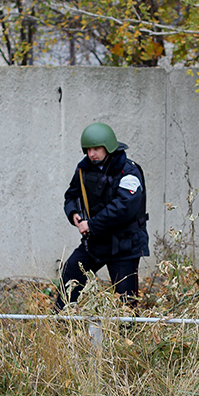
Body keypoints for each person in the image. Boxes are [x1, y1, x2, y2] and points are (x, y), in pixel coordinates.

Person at [55, 122, 149, 310]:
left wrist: (91, 224)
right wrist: (73, 213)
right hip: (95, 242)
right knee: (71, 273)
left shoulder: (129, 172)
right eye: (88, 149)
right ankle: (62, 324)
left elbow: (123, 208)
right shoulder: (83, 169)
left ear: (109, 147)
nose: (92, 154)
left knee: (126, 304)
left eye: (96, 148)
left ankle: (126, 337)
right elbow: (71, 195)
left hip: (124, 246)